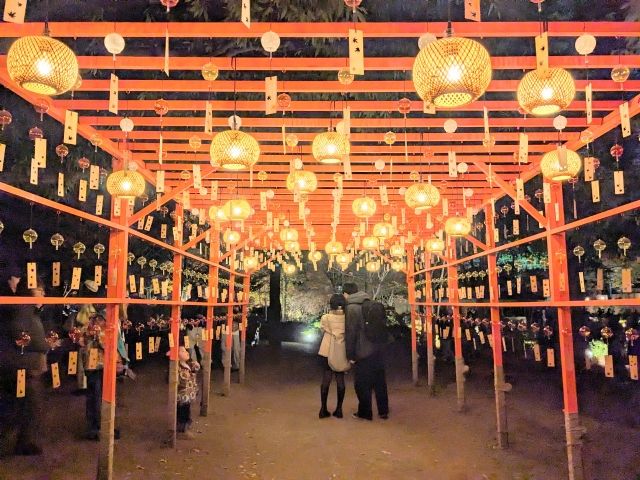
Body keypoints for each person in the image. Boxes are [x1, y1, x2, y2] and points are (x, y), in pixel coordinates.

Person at [6, 278, 49, 455]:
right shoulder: (23, 310)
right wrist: (44, 345)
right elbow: (19, 333)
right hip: (25, 366)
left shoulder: (31, 311)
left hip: (31, 366)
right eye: (39, 290)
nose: (43, 294)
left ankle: (25, 441)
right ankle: (23, 443)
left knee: (30, 406)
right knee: (27, 406)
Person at [343, 283, 389, 421]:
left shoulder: (351, 308)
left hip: (363, 351)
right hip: (378, 348)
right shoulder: (371, 303)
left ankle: (365, 412)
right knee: (379, 381)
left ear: (346, 294)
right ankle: (383, 411)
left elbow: (351, 333)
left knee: (362, 383)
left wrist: (350, 355)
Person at [317, 294, 349, 419]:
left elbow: (322, 331)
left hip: (326, 350)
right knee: (340, 378)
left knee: (326, 378)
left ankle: (323, 409)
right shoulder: (347, 318)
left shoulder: (325, 317)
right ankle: (339, 409)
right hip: (341, 350)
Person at [176, 344, 200, 439]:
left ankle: (186, 427)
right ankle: (182, 431)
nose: (186, 352)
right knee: (183, 412)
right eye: (182, 351)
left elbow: (196, 368)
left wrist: (195, 365)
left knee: (187, 410)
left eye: (185, 350)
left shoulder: (188, 364)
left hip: (188, 394)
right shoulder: (178, 367)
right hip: (182, 396)